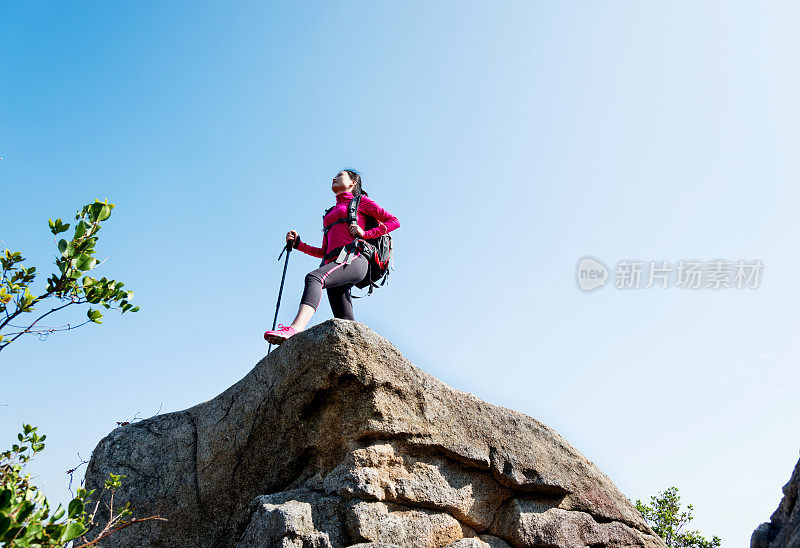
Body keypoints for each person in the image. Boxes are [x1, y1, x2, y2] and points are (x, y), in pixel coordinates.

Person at [264, 169, 400, 345]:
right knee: (345, 321)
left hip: (355, 258)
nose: (334, 177)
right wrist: (298, 244)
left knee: (314, 277)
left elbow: (394, 221)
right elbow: (324, 251)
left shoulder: (361, 202)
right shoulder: (329, 213)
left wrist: (365, 233)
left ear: (352, 183)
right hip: (335, 262)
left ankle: (295, 329)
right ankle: (357, 352)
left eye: (340, 175)